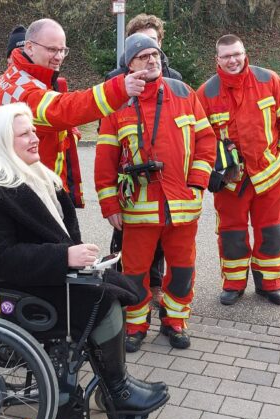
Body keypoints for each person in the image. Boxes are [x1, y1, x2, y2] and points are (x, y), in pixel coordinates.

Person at [0, 102, 169, 419]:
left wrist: (78, 259)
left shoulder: (27, 175)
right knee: (101, 299)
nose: (35, 138)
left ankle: (115, 387)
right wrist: (64, 258)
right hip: (1, 288)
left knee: (111, 285)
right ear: (0, 142)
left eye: (34, 131)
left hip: (27, 278)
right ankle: (117, 390)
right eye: (24, 134)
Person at [95, 34, 216, 352]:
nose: (151, 60)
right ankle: (135, 326)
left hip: (183, 205)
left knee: (182, 269)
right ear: (129, 65)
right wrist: (110, 204)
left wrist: (198, 183)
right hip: (139, 207)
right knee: (134, 273)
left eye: (155, 55)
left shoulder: (184, 92)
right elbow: (104, 160)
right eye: (142, 56)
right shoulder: (117, 103)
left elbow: (206, 140)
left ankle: (175, 322)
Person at [0, 18, 146, 208]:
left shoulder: (26, 76)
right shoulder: (22, 87)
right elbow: (62, 109)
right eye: (52, 50)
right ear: (30, 47)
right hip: (30, 192)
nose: (59, 56)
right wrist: (118, 90)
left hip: (39, 186)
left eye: (62, 50)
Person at [196, 34, 280, 307]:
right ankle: (234, 284)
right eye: (226, 56)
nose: (233, 60)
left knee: (271, 232)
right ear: (217, 59)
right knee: (231, 233)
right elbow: (198, 137)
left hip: (269, 175)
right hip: (231, 181)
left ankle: (270, 285)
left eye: (237, 54)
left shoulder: (269, 80)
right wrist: (210, 171)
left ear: (245, 53)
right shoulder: (206, 92)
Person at [105, 13, 180, 307]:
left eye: (155, 44)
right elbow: (107, 135)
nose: (151, 53)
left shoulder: (174, 81)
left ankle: (156, 285)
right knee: (124, 236)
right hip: (129, 177)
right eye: (143, 46)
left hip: (165, 179)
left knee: (161, 238)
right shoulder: (115, 81)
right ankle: (122, 288)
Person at [105, 13, 182, 81]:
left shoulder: (174, 78)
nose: (147, 45)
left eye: (152, 40)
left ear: (159, 43)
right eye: (141, 41)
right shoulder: (114, 79)